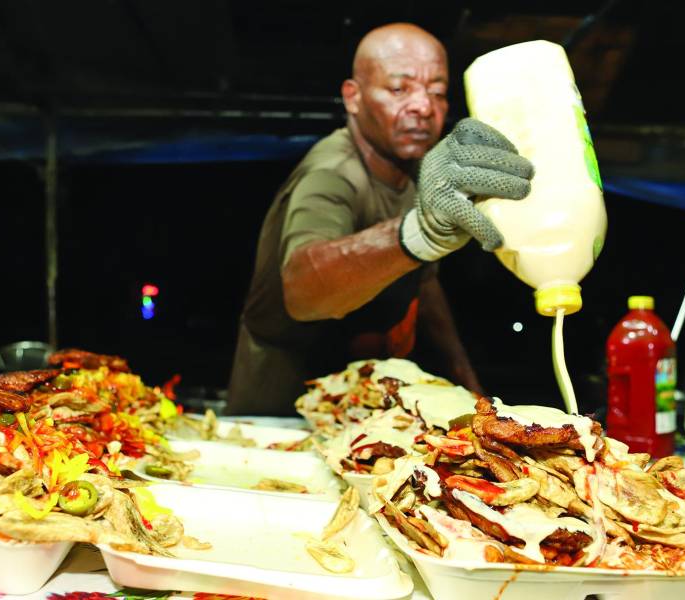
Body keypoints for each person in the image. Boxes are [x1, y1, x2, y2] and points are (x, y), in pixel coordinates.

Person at [226, 23, 533, 416]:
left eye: (437, 92)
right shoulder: (331, 172)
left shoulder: (417, 171)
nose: (424, 107)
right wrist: (418, 232)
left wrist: (476, 395)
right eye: (399, 89)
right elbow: (302, 291)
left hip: (355, 406)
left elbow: (425, 283)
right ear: (352, 98)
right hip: (277, 416)